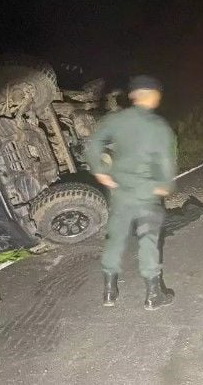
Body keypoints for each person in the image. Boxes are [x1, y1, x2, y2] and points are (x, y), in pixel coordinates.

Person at [84, 75, 177, 310]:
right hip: (147, 193)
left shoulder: (116, 120)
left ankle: (109, 292)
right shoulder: (159, 126)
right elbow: (166, 160)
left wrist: (100, 171)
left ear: (133, 96)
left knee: (115, 238)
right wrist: (165, 184)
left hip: (121, 191)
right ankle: (153, 294)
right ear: (153, 95)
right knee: (148, 240)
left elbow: (93, 143)